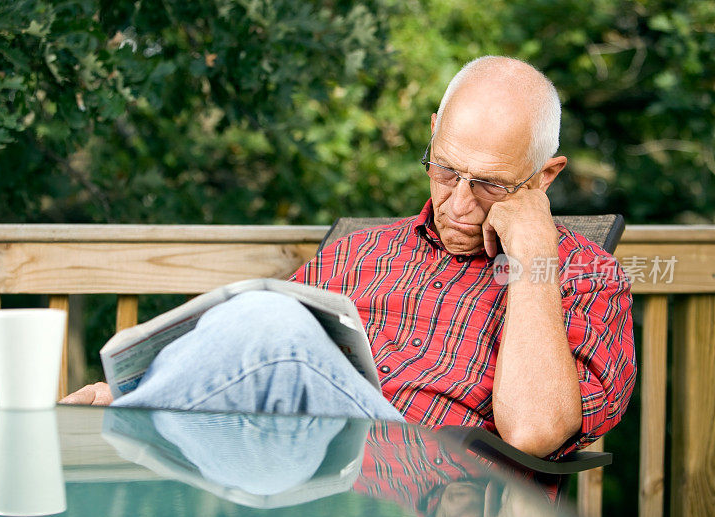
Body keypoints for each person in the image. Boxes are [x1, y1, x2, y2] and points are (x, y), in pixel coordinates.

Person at [62, 56, 636, 460]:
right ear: (434, 137)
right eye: (445, 170)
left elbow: (534, 432)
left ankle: (123, 413)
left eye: (491, 185)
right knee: (264, 322)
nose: (459, 204)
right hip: (291, 474)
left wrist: (535, 255)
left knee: (274, 322)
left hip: (432, 495)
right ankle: (129, 405)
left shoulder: (589, 278)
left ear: (545, 176)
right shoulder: (358, 255)